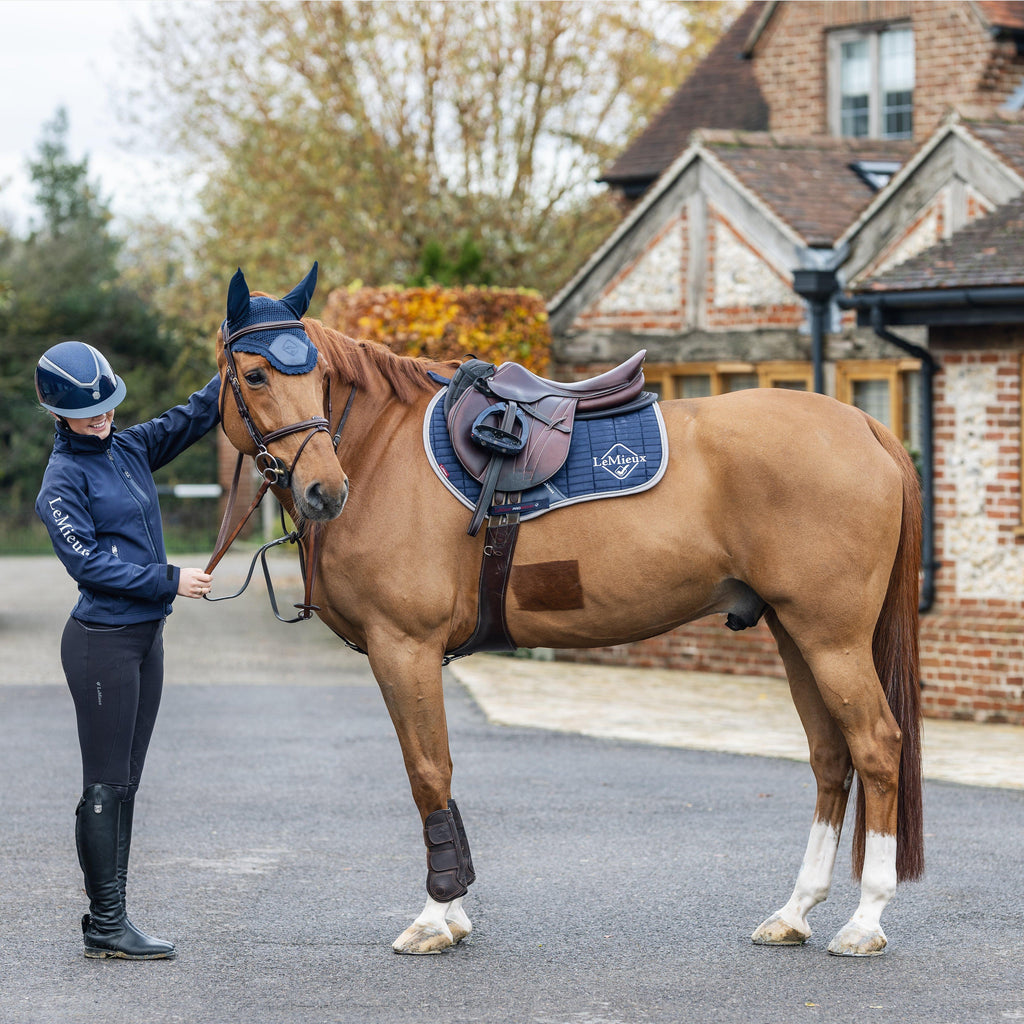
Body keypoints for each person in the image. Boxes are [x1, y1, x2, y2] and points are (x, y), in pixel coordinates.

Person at [34, 340, 221, 960]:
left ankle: (106, 920)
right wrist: (170, 578)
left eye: (108, 407)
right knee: (106, 785)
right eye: (88, 414)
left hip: (145, 639)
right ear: (59, 415)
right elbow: (89, 565)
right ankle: (107, 923)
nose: (102, 418)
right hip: (101, 644)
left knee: (127, 784)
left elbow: (195, 414)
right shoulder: (60, 482)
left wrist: (247, 357)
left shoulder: (131, 447)